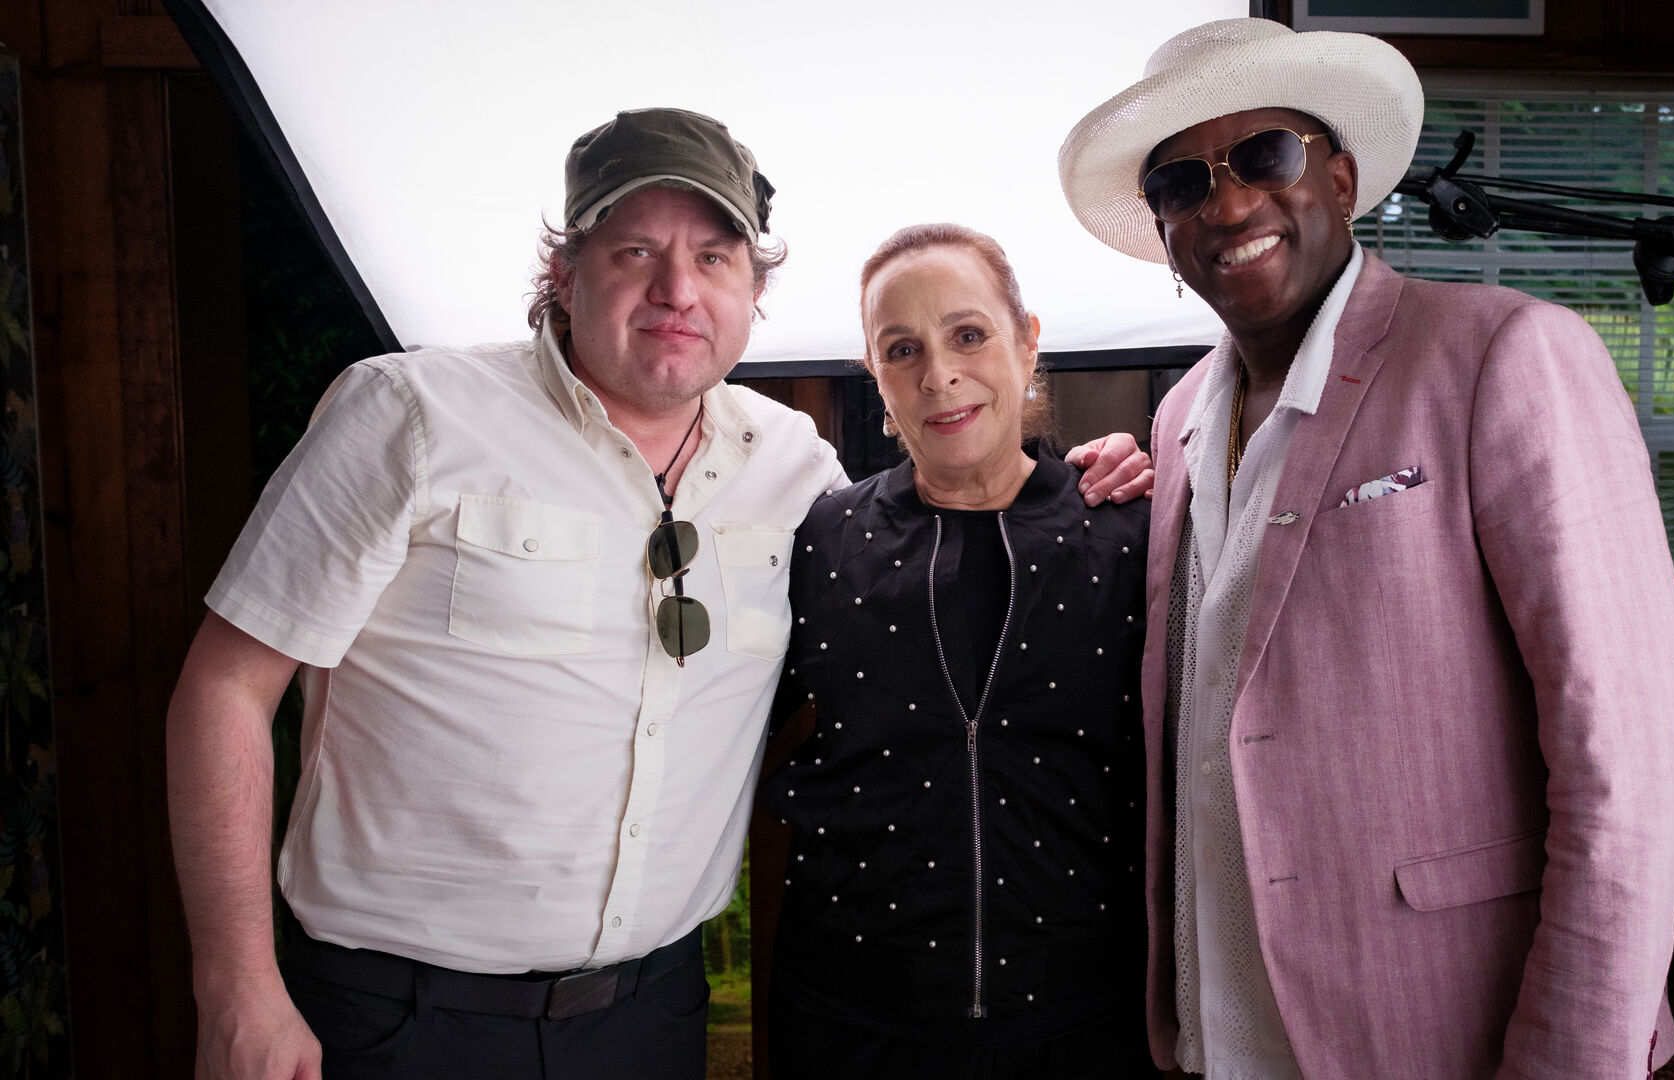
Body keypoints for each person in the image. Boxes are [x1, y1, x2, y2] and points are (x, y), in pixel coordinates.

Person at [166, 109, 1150, 1080]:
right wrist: (237, 986)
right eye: (636, 250)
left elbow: (943, 540)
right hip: (401, 1020)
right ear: (565, 271)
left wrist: (1089, 480)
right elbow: (225, 688)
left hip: (651, 1019)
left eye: (714, 258)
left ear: (753, 290)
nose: (677, 290)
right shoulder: (411, 413)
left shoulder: (793, 467)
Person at [1057, 19, 1674, 1080]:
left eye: (1264, 154)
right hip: (1222, 1037)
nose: (1228, 204)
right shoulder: (1177, 420)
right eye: (1180, 183)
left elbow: (1633, 765)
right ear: (1164, 232)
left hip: (1444, 1031)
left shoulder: (1504, 354)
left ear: (1343, 178)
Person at [759, 224, 1157, 1080]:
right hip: (851, 1015)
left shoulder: (1136, 534)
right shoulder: (822, 538)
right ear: (875, 375)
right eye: (902, 349)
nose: (938, 375)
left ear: (1026, 341)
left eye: (968, 334)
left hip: (1087, 1013)